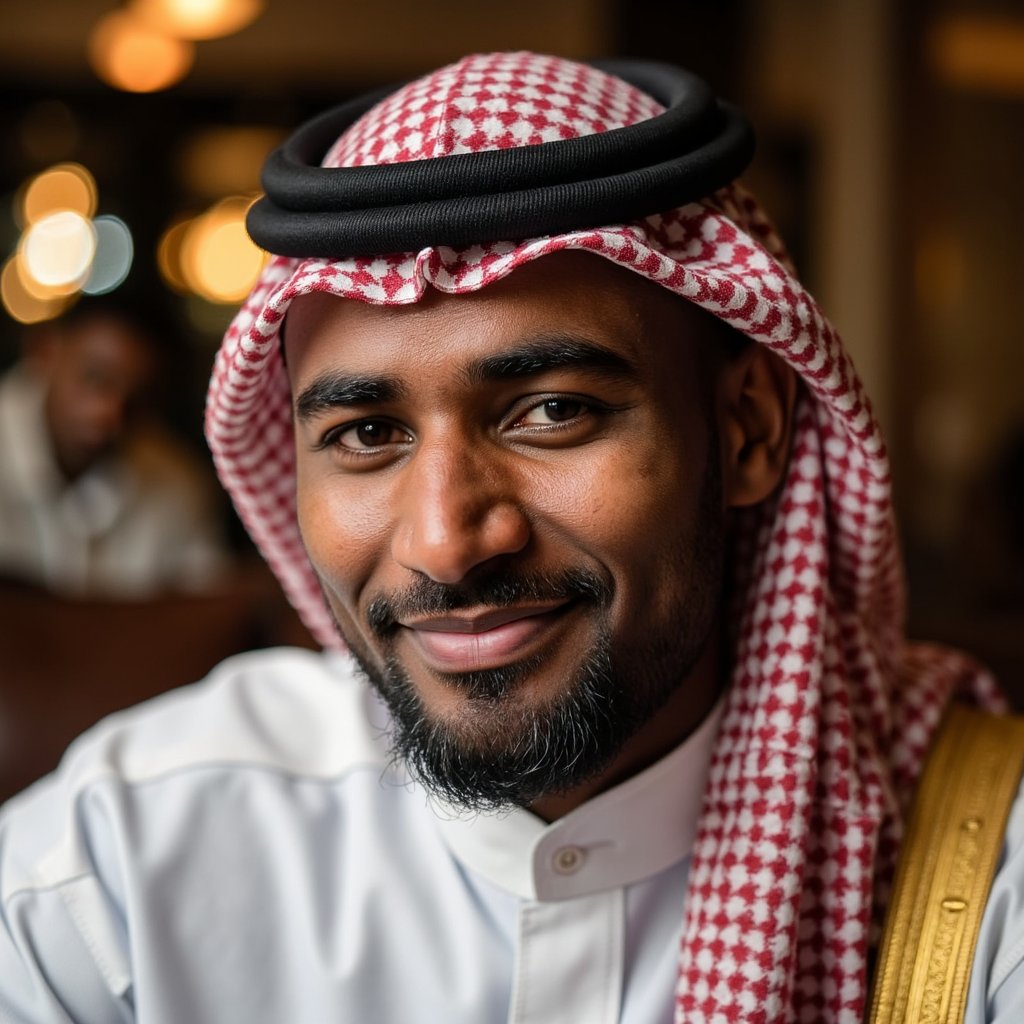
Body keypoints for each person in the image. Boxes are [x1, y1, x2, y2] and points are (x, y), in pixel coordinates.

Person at [0, 52, 1020, 1024]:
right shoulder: (111, 870)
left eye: (552, 412)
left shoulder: (986, 869)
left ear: (746, 428)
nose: (447, 544)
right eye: (366, 434)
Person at [0, 300, 228, 596]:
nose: (110, 413)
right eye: (95, 379)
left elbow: (205, 612)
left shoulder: (180, 484)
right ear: (45, 352)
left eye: (136, 397)